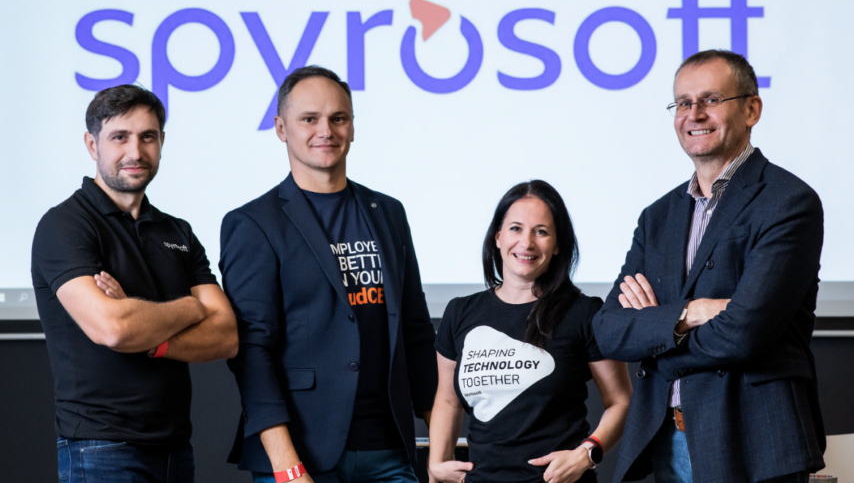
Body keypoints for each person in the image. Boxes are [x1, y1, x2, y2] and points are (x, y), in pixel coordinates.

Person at [592, 49, 826, 483]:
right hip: (667, 440)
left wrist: (657, 334)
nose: (694, 114)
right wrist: (690, 313)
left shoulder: (788, 202)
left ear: (751, 109)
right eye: (683, 102)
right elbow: (608, 329)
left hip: (753, 442)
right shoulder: (657, 217)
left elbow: (744, 333)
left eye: (711, 99)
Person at [220, 65, 438, 483]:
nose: (326, 131)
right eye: (309, 119)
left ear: (352, 126)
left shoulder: (388, 212)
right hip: (303, 455)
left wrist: (440, 442)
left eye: (338, 118)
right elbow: (251, 351)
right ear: (281, 128)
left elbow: (414, 330)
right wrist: (286, 466)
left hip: (390, 451)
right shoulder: (253, 223)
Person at [31, 84, 238, 483]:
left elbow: (226, 335)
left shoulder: (177, 231)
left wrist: (151, 337)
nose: (135, 152)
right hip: (101, 447)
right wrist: (192, 307)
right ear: (92, 145)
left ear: (162, 142)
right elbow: (114, 328)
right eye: (119, 137)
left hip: (176, 449)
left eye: (147, 137)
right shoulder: (65, 225)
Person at [428, 180, 633, 483]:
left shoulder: (584, 312)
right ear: (497, 237)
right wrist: (435, 465)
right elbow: (447, 400)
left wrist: (587, 453)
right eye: (515, 228)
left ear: (558, 245)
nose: (526, 243)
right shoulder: (460, 312)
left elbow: (621, 401)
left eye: (541, 231)